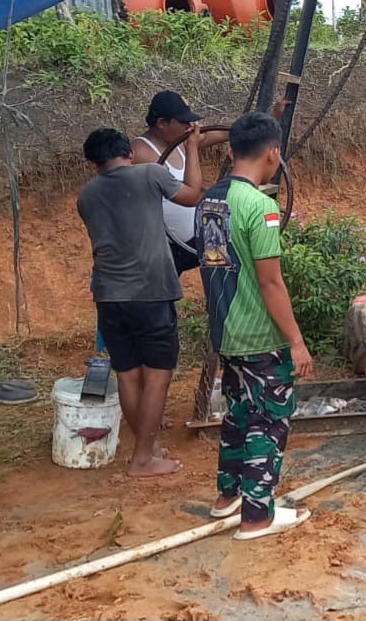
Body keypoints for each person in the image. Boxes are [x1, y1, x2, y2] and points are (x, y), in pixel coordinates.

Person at [198, 111, 315, 540]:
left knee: (239, 412)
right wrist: (296, 342)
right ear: (273, 154)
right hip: (258, 334)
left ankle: (226, 497)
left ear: (230, 151)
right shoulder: (261, 207)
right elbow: (270, 282)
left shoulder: (210, 200)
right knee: (269, 419)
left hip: (225, 330)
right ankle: (257, 515)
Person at [76, 126, 204, 477]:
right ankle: (142, 459)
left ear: (93, 163)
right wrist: (192, 147)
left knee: (129, 376)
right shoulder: (150, 174)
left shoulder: (86, 196)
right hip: (150, 294)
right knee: (158, 377)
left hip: (108, 298)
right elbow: (193, 196)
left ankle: (146, 449)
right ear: (129, 153)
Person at [131, 90, 231, 274]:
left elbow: (222, 133)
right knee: (165, 296)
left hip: (195, 236)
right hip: (166, 246)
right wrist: (192, 148)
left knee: (216, 217)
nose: (189, 127)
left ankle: (218, 289)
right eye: (184, 122)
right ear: (161, 123)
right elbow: (191, 195)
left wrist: (263, 120)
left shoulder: (178, 140)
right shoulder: (141, 153)